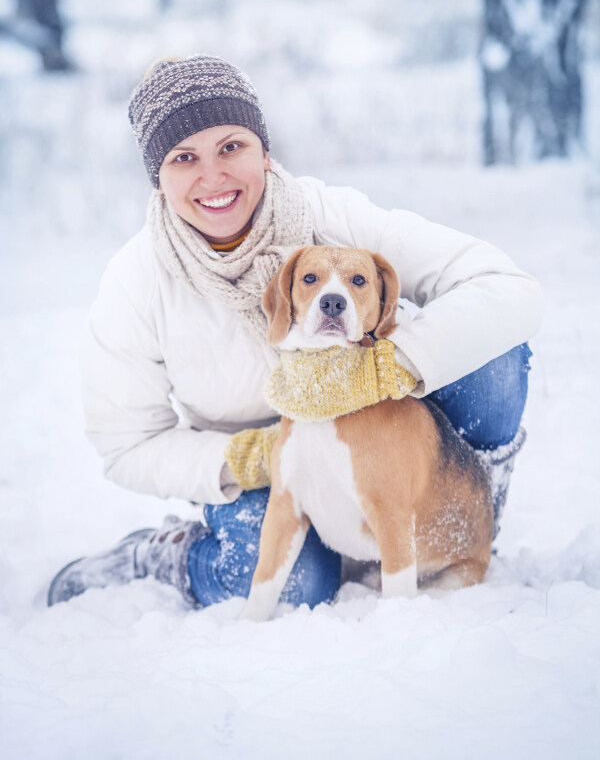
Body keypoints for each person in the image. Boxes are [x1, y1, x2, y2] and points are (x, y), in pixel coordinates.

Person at [48, 55, 542, 609]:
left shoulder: (332, 216)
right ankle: (167, 557)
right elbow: (125, 445)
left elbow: (507, 287)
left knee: (493, 355)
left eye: (231, 146)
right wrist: (246, 457)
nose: (212, 177)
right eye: (184, 158)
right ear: (158, 178)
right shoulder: (136, 281)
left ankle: (469, 514)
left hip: (385, 435)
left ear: (264, 149)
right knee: (298, 587)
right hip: (269, 467)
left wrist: (393, 364)